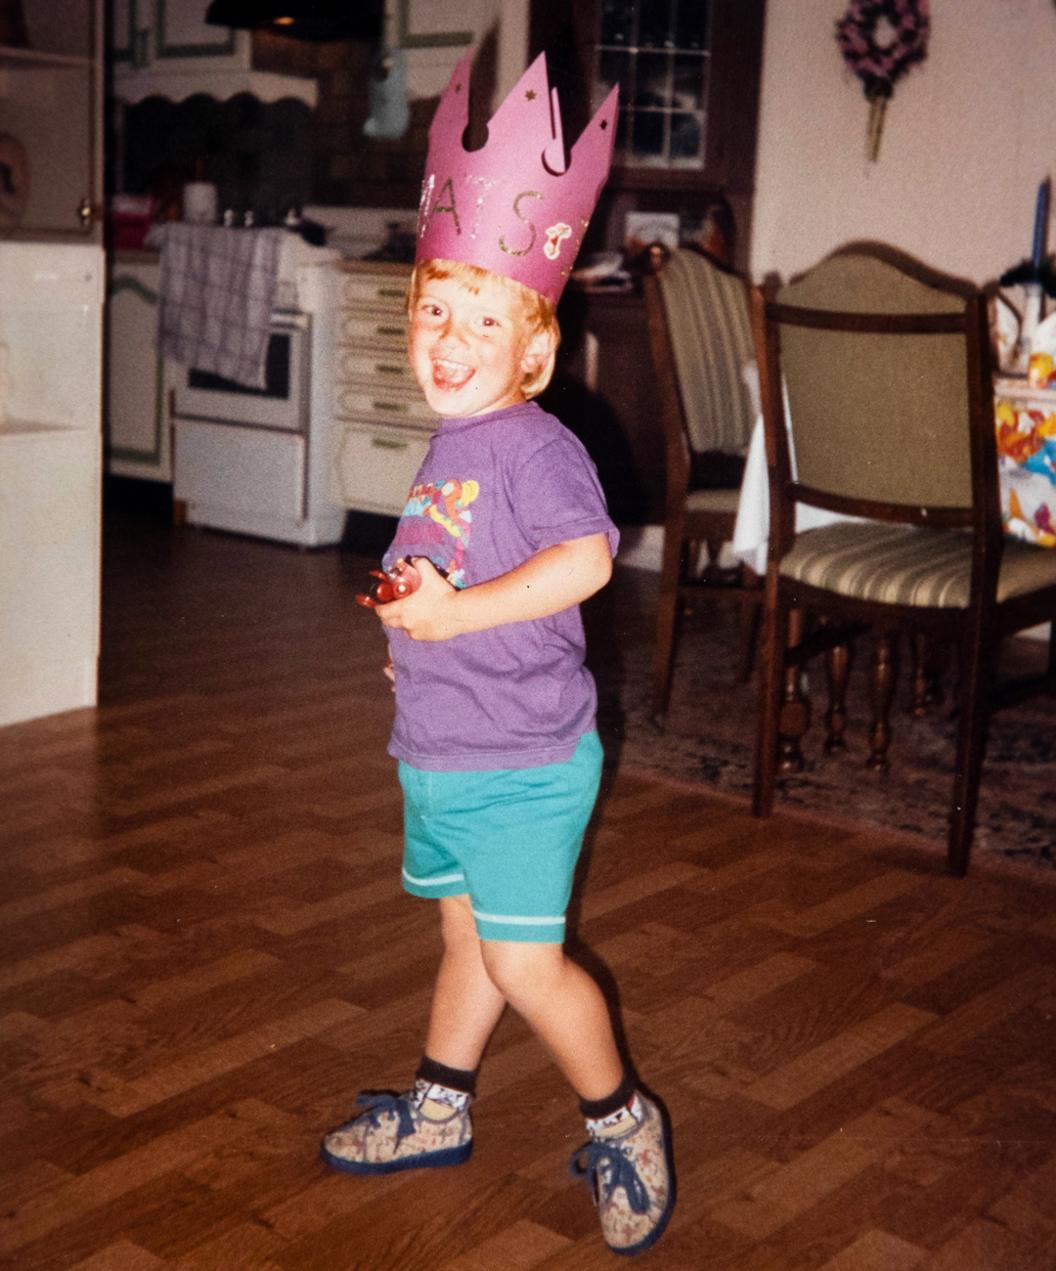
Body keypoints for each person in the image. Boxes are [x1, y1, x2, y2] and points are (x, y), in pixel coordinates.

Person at [320, 52, 674, 1258]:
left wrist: (455, 621)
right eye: (434, 309)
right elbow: (458, 574)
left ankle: (624, 1117)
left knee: (525, 961)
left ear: (532, 349)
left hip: (523, 760)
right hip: (442, 748)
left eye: (484, 318)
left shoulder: (532, 443)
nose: (450, 338)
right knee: (466, 940)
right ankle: (439, 1100)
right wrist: (413, 632)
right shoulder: (451, 444)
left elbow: (583, 562)